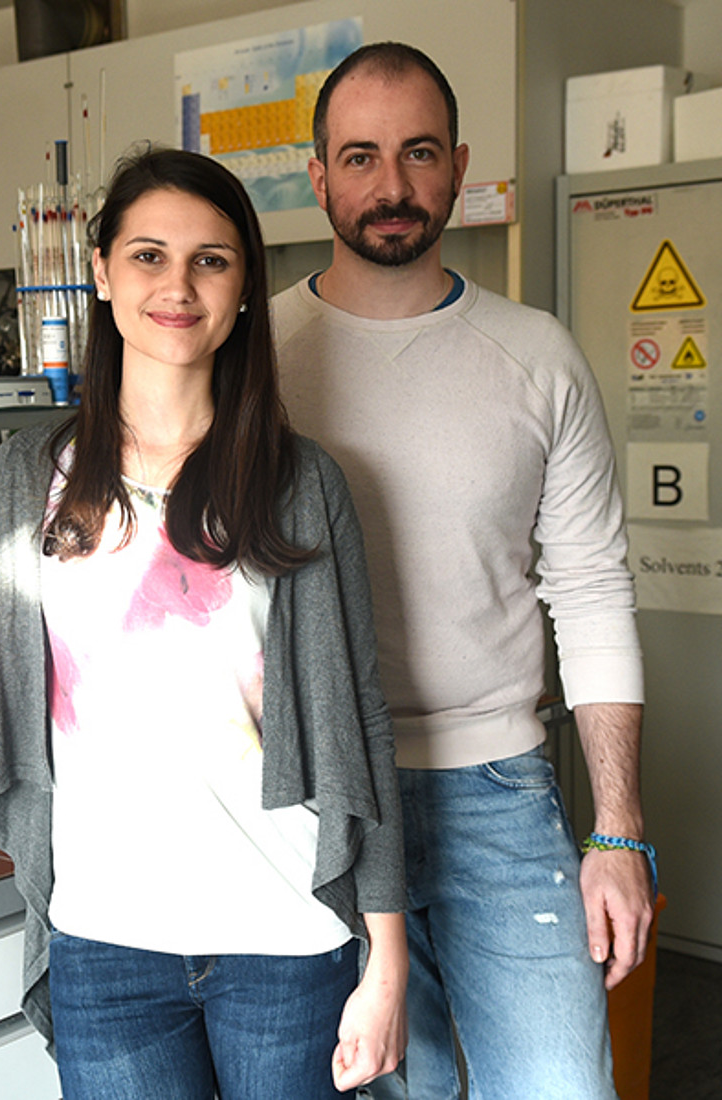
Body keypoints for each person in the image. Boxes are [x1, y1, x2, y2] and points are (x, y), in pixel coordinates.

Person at [0, 146, 408, 1097]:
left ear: (246, 287)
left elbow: (360, 723)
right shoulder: (28, 477)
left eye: (211, 260)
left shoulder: (300, 485)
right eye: (148, 255)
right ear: (100, 272)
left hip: (285, 935)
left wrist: (386, 963)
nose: (177, 286)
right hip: (104, 943)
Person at [270, 42, 656, 1100]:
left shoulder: (538, 355)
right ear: (319, 176)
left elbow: (590, 589)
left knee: (562, 1084)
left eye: (418, 152)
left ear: (460, 165)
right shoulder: (257, 355)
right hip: (320, 798)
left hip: (500, 790)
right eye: (360, 156)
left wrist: (617, 829)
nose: (390, 186)